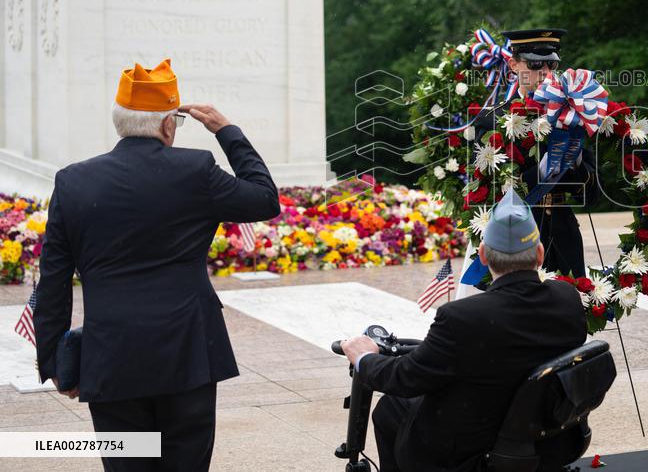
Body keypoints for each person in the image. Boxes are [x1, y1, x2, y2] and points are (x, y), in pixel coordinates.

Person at [33, 59, 280, 472]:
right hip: (187, 353)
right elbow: (264, 199)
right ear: (169, 125)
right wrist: (226, 131)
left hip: (112, 356)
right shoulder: (195, 169)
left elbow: (53, 278)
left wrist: (54, 361)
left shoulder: (72, 180)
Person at [341, 189, 587, 472]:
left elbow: (406, 379)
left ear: (482, 255)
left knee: (391, 407)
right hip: (550, 441)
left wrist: (365, 357)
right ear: (540, 254)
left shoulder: (462, 317)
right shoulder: (567, 298)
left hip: (475, 451)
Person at [472, 28, 596, 278]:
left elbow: (591, 192)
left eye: (551, 64)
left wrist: (574, 153)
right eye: (535, 63)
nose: (546, 72)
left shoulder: (571, 116)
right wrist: (545, 167)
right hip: (514, 240)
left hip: (564, 236)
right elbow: (492, 191)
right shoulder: (491, 120)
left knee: (571, 313)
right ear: (513, 64)